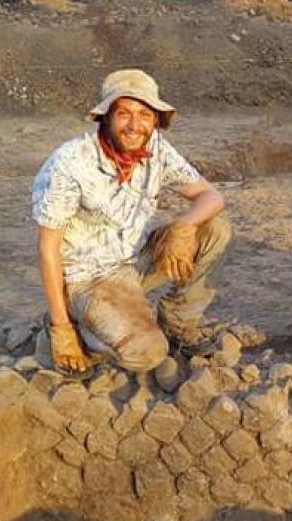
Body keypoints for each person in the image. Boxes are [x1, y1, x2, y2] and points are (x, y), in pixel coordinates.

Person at [32, 69, 231, 378]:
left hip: (134, 262)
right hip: (88, 280)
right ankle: (74, 327)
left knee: (215, 228)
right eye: (124, 113)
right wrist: (62, 329)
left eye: (144, 115)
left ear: (155, 121)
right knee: (148, 354)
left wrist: (184, 226)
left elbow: (211, 196)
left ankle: (177, 320)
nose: (135, 125)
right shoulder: (70, 163)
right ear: (106, 118)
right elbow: (48, 248)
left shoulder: (157, 150)